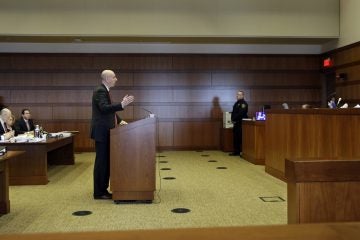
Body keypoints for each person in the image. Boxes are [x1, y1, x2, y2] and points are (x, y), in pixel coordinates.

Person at [90, 69, 134, 200]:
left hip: (106, 132)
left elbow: (109, 111)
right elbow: (104, 108)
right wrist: (121, 104)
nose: (116, 79)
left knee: (105, 162)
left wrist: (120, 121)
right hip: (102, 132)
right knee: (102, 163)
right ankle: (99, 192)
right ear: (107, 79)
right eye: (114, 77)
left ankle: (102, 189)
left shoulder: (105, 90)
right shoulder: (100, 91)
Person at [229, 91, 248, 156]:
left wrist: (234, 119)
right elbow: (233, 112)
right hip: (236, 123)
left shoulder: (243, 104)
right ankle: (236, 151)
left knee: (240, 138)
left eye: (239, 95)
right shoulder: (236, 103)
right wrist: (232, 119)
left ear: (243, 96)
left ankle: (241, 152)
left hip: (240, 123)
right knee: (235, 137)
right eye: (237, 94)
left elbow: (241, 113)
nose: (238, 96)